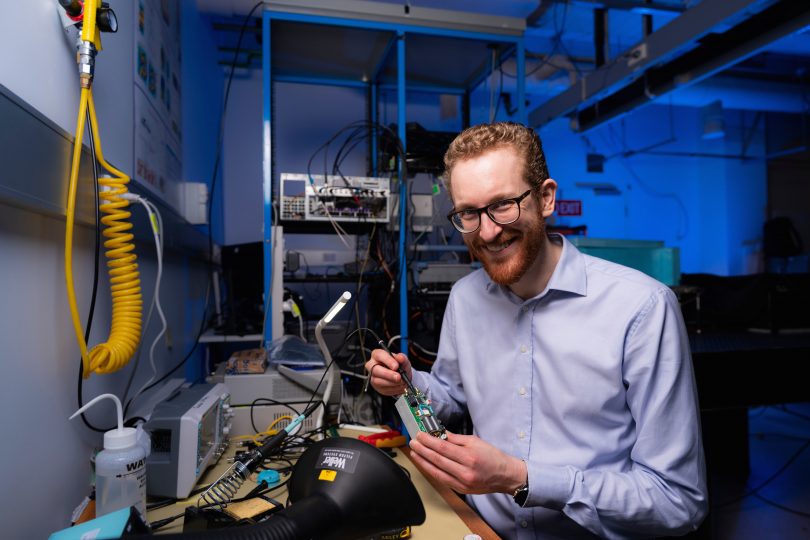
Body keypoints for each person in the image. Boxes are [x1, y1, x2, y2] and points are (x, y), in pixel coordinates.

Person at [365, 122, 708, 539]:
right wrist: (407, 385)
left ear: (546, 198)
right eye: (469, 213)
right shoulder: (465, 298)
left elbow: (678, 501)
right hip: (481, 530)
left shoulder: (641, 308)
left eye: (504, 204)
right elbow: (452, 401)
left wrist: (519, 477)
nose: (488, 232)